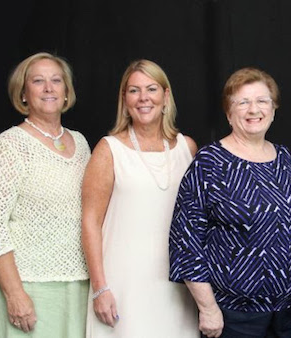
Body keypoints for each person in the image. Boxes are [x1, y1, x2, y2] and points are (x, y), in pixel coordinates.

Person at [168, 67, 291, 338]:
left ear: (273, 109)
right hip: (234, 315)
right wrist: (208, 308)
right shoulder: (210, 162)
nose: (253, 109)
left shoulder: (283, 158)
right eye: (242, 102)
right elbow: (185, 242)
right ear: (229, 113)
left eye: (261, 101)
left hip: (289, 312)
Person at [0, 52, 91, 337]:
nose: (49, 88)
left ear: (66, 92)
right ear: (24, 94)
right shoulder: (9, 146)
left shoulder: (82, 143)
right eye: (38, 81)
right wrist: (15, 294)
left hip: (77, 286)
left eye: (56, 81)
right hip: (26, 287)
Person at [81, 59, 199, 337]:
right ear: (125, 99)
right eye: (134, 90)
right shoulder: (108, 149)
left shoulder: (188, 148)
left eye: (151, 89)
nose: (143, 98)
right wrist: (100, 288)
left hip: (177, 286)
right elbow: (90, 223)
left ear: (166, 96)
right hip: (123, 284)